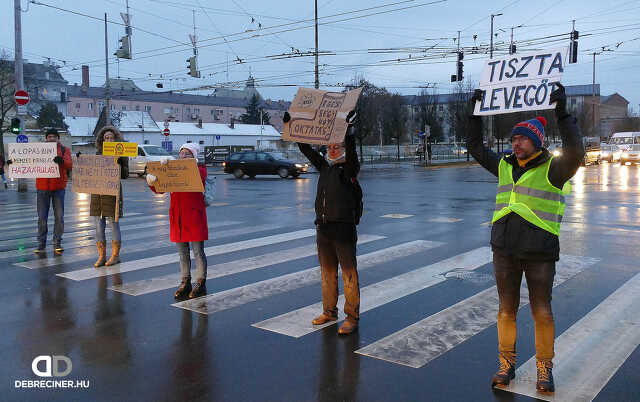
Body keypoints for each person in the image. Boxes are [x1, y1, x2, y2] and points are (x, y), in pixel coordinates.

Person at [466, 83, 584, 393]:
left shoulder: (554, 169)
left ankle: (544, 368)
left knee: (541, 311)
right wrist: (474, 113)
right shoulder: (504, 165)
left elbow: (576, 152)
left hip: (539, 252)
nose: (516, 143)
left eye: (522, 139)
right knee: (505, 309)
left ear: (536, 142)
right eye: (514, 138)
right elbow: (476, 148)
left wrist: (562, 113)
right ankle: (506, 364)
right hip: (504, 250)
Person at [285, 111, 361, 335]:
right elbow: (307, 150)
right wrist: (294, 128)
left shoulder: (348, 170)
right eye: (330, 147)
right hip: (324, 228)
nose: (332, 149)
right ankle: (329, 311)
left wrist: (349, 131)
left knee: (348, 275)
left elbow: (353, 154)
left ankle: (352, 317)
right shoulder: (326, 168)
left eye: (337, 147)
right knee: (327, 274)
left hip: (344, 229)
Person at [146, 143, 208, 300]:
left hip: (194, 216)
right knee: (182, 253)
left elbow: (199, 178)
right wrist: (152, 182)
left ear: (193, 156)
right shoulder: (176, 169)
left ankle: (200, 282)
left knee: (198, 252)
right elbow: (161, 188)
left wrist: (180, 168)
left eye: (188, 153)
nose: (184, 156)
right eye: (182, 153)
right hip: (178, 217)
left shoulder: (199, 169)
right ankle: (185, 281)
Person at [7, 128, 73, 254]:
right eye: (49, 136)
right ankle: (41, 244)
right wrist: (13, 162)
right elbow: (26, 161)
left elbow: (70, 165)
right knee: (42, 218)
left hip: (58, 188)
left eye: (54, 136)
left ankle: (57, 243)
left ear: (58, 138)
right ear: (46, 138)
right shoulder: (39, 150)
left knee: (59, 217)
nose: (52, 138)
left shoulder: (65, 150)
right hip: (42, 188)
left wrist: (62, 161)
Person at [85, 126, 129, 267]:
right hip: (97, 193)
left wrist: (119, 161)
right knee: (98, 225)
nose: (108, 139)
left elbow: (125, 175)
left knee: (113, 223)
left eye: (111, 137)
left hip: (112, 193)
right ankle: (102, 256)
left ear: (116, 139)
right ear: (102, 140)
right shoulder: (98, 154)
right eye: (106, 138)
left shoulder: (121, 155)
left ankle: (115, 255)